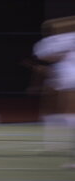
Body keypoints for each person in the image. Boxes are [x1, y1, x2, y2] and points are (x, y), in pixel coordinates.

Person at [33, 24, 75, 167]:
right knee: (68, 115)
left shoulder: (60, 42)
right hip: (66, 81)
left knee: (70, 115)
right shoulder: (65, 42)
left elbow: (47, 56)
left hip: (70, 81)